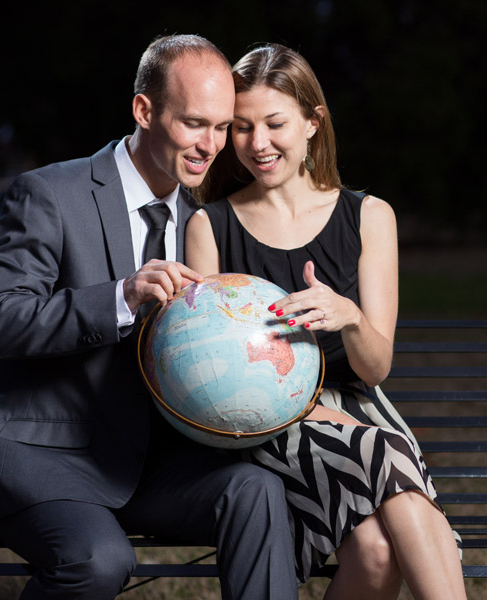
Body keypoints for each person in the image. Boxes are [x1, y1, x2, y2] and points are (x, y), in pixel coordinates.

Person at [0, 35, 298, 600]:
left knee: (255, 491)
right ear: (144, 110)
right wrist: (120, 297)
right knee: (100, 560)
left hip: (148, 465)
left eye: (220, 126)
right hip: (47, 460)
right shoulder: (48, 194)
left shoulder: (204, 220)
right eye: (193, 123)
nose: (210, 145)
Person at [186, 44, 467, 600]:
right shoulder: (209, 226)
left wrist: (351, 317)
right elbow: (206, 372)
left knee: (378, 553)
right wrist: (305, 407)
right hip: (263, 419)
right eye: (241, 128)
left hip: (359, 410)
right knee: (385, 450)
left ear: (314, 123)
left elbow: (375, 367)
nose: (257, 144)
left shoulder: (368, 217)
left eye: (274, 123)